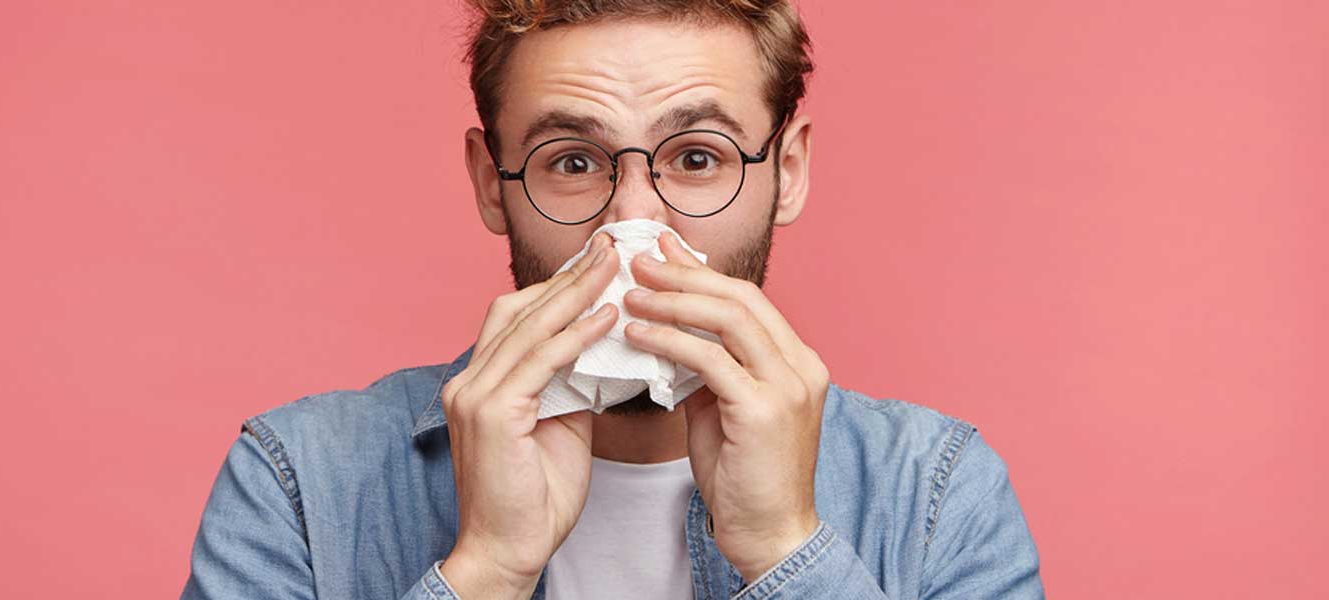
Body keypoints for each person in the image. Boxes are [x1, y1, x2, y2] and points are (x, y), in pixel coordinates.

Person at [180, 1, 1045, 598]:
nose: (633, 221)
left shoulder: (936, 492)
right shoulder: (298, 479)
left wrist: (788, 550)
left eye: (697, 158)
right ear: (493, 183)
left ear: (787, 172)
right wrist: (484, 572)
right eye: (572, 161)